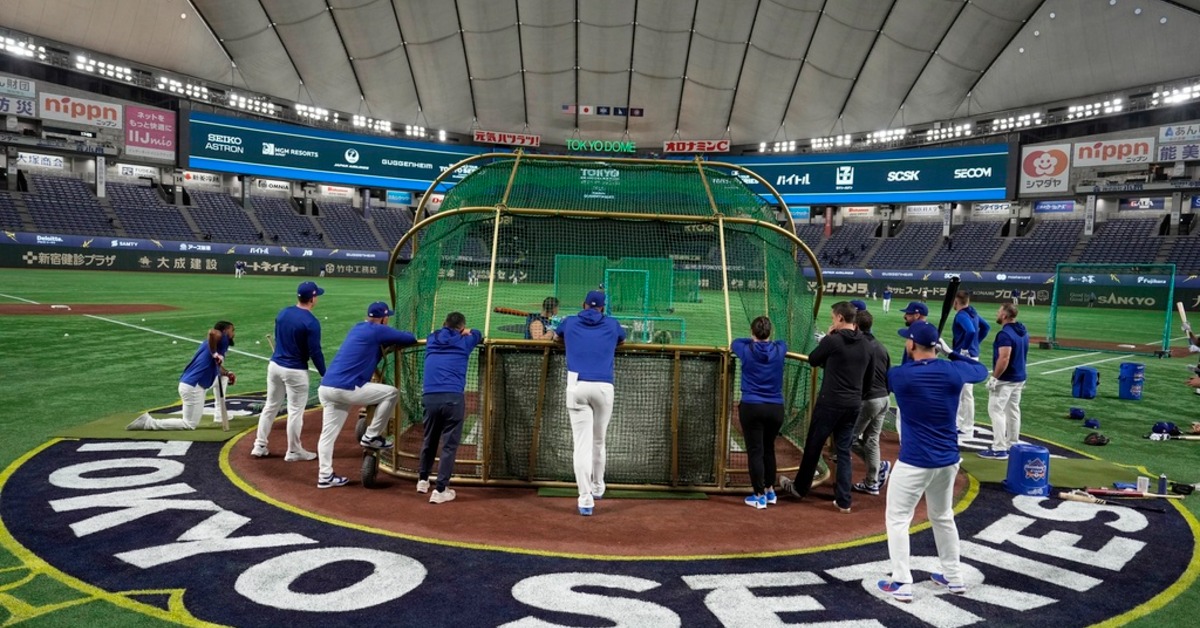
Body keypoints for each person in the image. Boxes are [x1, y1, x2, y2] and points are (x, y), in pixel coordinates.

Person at [877, 320, 988, 602]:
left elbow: (897, 373)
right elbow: (980, 371)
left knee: (898, 519)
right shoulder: (953, 371)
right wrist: (951, 353)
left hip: (914, 461)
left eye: (908, 340)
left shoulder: (901, 376)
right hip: (948, 460)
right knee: (942, 516)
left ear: (913, 344)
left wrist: (921, 355)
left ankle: (902, 581)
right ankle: (954, 577)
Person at [779, 301, 874, 513]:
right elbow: (868, 381)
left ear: (840, 318)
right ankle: (844, 501)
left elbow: (813, 360)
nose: (832, 321)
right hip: (853, 404)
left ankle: (800, 488)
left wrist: (829, 337)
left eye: (833, 318)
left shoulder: (833, 341)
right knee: (843, 451)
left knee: (814, 446)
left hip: (830, 403)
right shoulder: (867, 344)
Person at [315, 302, 418, 488]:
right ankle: (371, 435)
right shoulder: (379, 330)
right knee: (391, 393)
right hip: (347, 388)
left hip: (326, 388)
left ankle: (325, 476)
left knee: (327, 435)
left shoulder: (358, 327)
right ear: (384, 318)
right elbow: (410, 338)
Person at [553, 290, 626, 516]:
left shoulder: (569, 321)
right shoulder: (612, 324)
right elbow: (622, 341)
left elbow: (556, 338)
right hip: (604, 387)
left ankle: (585, 500)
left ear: (583, 304)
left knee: (582, 445)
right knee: (599, 441)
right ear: (602, 308)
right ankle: (598, 486)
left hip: (577, 386)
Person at [252, 281, 327, 461]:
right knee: (295, 411)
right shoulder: (311, 322)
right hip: (295, 371)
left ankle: (259, 445)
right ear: (312, 299)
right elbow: (315, 352)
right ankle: (293, 451)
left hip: (275, 366)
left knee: (270, 406)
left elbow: (279, 337)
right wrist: (325, 373)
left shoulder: (283, 313)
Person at [418, 312, 484, 504]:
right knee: (449, 445)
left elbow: (438, 333)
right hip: (453, 398)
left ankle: (423, 480)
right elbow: (478, 334)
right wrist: (466, 332)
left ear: (444, 323)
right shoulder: (465, 341)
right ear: (461, 328)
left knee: (429, 439)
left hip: (430, 396)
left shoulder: (432, 338)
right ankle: (440, 490)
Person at [127, 321, 237, 431]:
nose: (234, 334)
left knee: (223, 378)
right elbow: (212, 333)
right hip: (193, 387)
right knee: (189, 424)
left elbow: (216, 365)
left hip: (194, 382)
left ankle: (219, 414)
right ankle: (148, 423)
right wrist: (215, 354)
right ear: (225, 331)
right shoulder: (222, 339)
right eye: (232, 330)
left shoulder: (212, 344)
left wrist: (227, 373)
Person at [730, 316, 787, 509]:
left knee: (755, 451)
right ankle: (770, 490)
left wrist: (753, 340)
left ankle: (759, 495)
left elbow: (734, 342)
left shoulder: (746, 349)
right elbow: (782, 343)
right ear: (770, 333)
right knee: (768, 448)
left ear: (752, 332)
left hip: (752, 407)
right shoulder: (779, 348)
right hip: (775, 408)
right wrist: (763, 340)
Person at [979, 303, 1029, 459]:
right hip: (1019, 377)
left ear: (1005, 315)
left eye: (999, 311)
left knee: (996, 411)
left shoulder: (1005, 335)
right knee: (1013, 411)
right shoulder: (1023, 331)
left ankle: (999, 448)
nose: (997, 313)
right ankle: (1012, 444)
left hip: (1006, 379)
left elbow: (1004, 357)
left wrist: (994, 377)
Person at [850, 311, 892, 496]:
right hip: (884, 399)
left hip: (869, 400)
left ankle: (878, 466)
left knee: (848, 439)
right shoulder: (881, 346)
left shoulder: (860, 346)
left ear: (856, 326)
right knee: (871, 440)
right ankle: (872, 482)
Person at [950, 290, 990, 438]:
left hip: (964, 357)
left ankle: (966, 428)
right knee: (963, 393)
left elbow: (971, 331)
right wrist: (976, 344)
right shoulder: (973, 313)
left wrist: (965, 348)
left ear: (956, 302)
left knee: (965, 393)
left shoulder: (961, 315)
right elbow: (986, 327)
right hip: (972, 356)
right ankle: (960, 424)